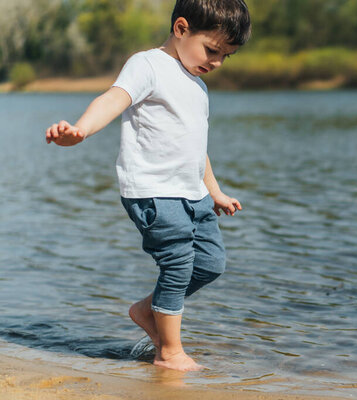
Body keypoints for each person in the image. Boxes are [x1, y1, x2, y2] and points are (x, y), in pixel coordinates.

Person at [45, 0, 251, 372]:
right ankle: (169, 352)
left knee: (210, 263)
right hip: (154, 192)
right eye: (212, 50)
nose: (217, 62)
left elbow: (196, 149)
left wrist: (215, 191)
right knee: (177, 263)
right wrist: (81, 130)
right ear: (181, 28)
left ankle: (147, 309)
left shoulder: (199, 86)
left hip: (195, 194)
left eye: (227, 56)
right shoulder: (147, 65)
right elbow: (113, 99)